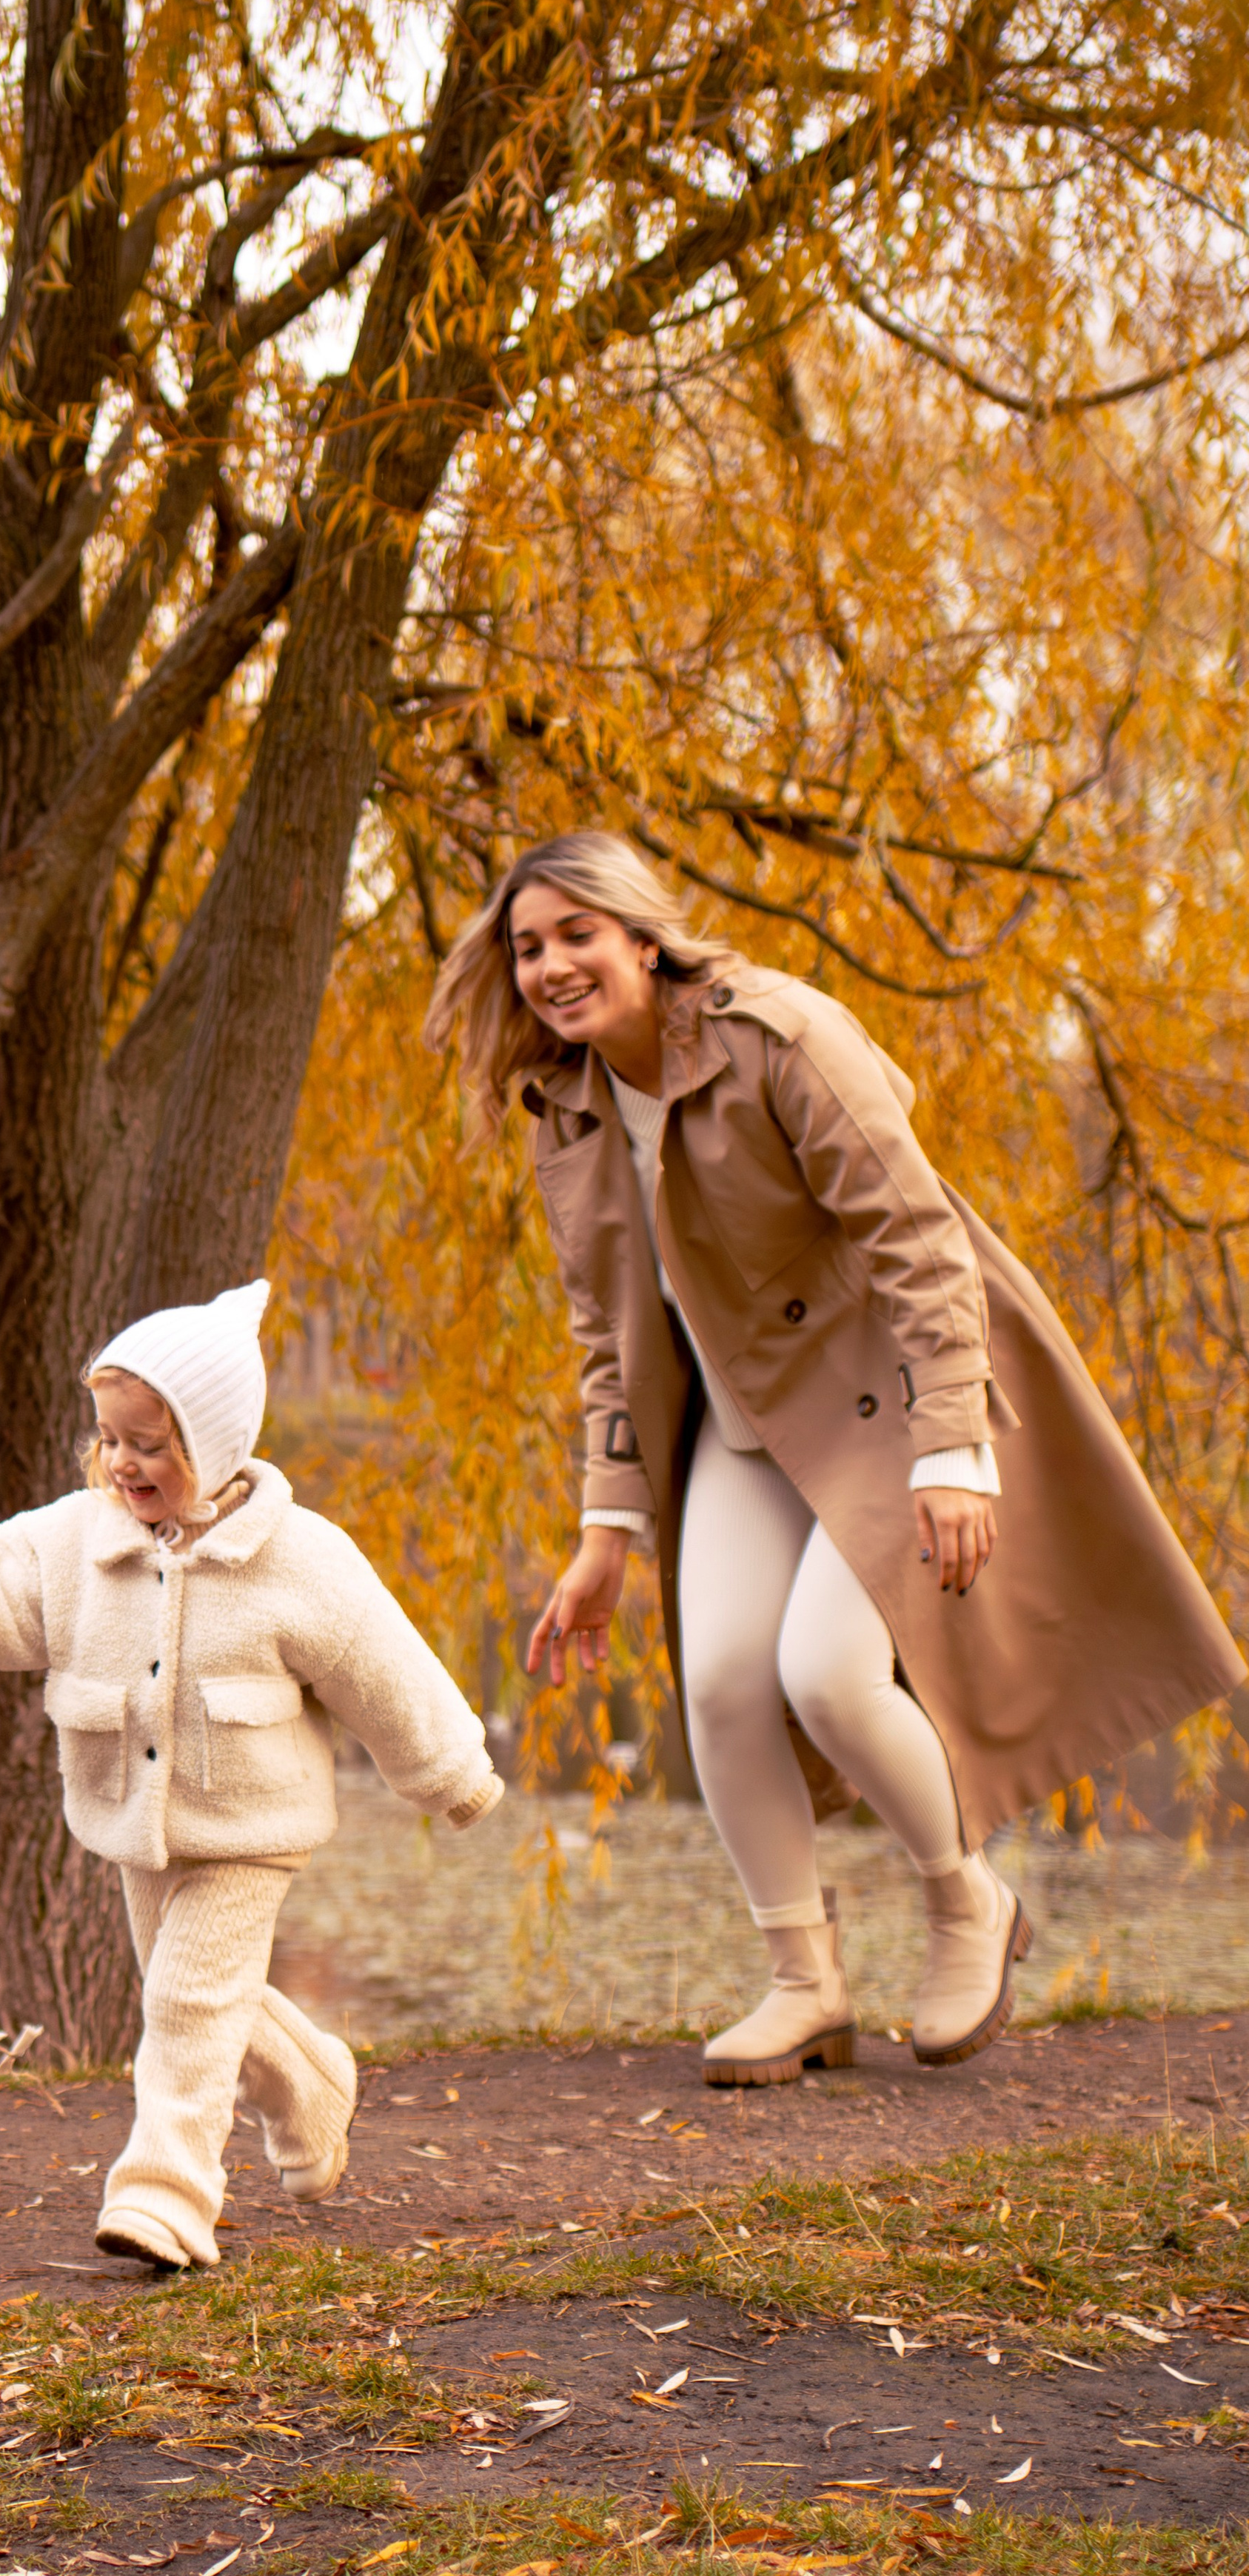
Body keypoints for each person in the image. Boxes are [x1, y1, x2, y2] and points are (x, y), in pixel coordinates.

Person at [426, 830, 1244, 2087]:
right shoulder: (569, 1115)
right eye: (528, 948)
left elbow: (917, 1235)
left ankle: (968, 1901)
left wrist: (953, 1444)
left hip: (880, 1394)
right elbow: (608, 1340)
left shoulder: (775, 1035)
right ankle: (805, 1984)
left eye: (577, 934)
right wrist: (606, 1530)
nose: (551, 967)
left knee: (825, 1671)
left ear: (643, 937)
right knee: (720, 1686)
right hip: (740, 1425)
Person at [0, 1279, 501, 2269]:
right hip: (134, 1821)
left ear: (214, 1445)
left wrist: (450, 1772)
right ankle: (312, 2084)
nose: (123, 1462)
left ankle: (166, 2196)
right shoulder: (72, 1545)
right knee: (201, 1998)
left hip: (251, 1829)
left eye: (150, 1443)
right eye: (110, 1439)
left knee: (187, 2002)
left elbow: (380, 1665)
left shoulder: (299, 1560)